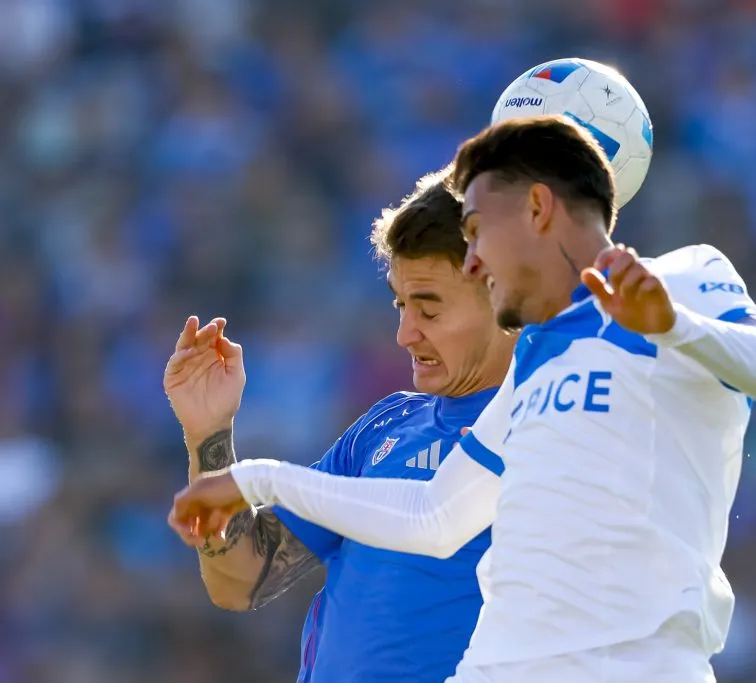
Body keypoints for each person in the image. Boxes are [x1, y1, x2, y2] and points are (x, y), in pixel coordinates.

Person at [169, 116, 756, 682]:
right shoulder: (500, 376)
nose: (474, 258)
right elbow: (418, 520)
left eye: (477, 232)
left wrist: (673, 324)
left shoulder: (673, 288)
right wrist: (234, 459)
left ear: (537, 211)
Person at [162, 167, 517, 683]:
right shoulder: (386, 425)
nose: (404, 334)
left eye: (430, 310)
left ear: (503, 296)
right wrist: (209, 432)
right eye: (400, 304)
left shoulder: (547, 430)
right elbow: (242, 579)